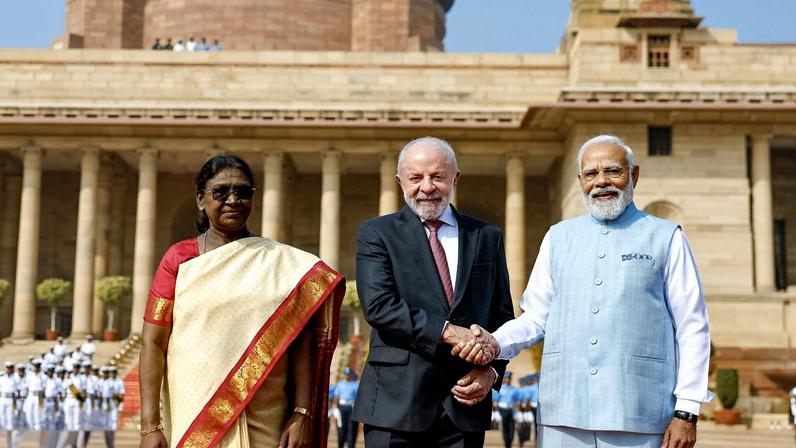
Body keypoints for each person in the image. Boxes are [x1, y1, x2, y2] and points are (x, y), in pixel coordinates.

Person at [454, 134, 713, 448]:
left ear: (634, 175)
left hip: (639, 412)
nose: (601, 181)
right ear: (580, 181)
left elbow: (692, 326)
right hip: (563, 413)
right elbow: (535, 318)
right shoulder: (558, 237)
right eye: (591, 174)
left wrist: (687, 411)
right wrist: (495, 343)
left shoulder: (666, 236)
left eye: (613, 171)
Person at [139, 154, 344, 448]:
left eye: (243, 192)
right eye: (221, 192)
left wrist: (302, 413)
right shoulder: (179, 260)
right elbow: (153, 343)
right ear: (201, 199)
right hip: (194, 411)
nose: (233, 200)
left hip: (264, 412)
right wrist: (150, 426)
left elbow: (301, 341)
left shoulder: (280, 263)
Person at [352, 136, 515, 447]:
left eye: (437, 176)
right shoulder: (377, 233)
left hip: (464, 403)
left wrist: (492, 372)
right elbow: (379, 306)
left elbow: (502, 316)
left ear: (455, 178)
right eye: (416, 178)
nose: (427, 187)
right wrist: (449, 332)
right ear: (400, 182)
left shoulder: (486, 236)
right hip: (395, 403)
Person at [334, 368, 359, 448]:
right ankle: (340, 445)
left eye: (348, 375)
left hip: (351, 408)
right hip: (342, 408)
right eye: (345, 374)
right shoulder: (340, 384)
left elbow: (358, 398)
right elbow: (336, 396)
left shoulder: (355, 384)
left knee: (351, 429)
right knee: (341, 428)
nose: (346, 376)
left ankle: (350, 446)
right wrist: (335, 408)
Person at [494, 372, 519, 448]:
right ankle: (507, 444)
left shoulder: (514, 389)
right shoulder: (500, 388)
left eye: (509, 378)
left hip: (511, 409)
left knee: (512, 427)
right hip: (503, 409)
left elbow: (517, 401)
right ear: (504, 379)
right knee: (505, 428)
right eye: (506, 378)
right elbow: (496, 401)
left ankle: (510, 441)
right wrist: (497, 412)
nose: (508, 380)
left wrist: (517, 412)